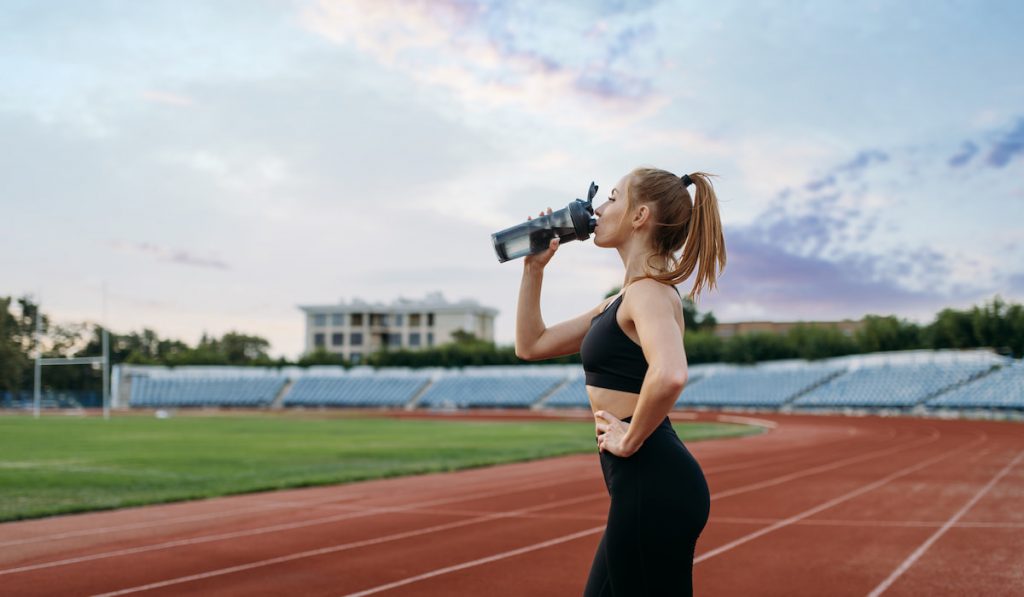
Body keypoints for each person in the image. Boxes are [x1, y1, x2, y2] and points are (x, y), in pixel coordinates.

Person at [514, 167, 727, 596]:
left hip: (654, 482)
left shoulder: (649, 292)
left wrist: (630, 440)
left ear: (639, 216)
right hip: (642, 485)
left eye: (612, 197)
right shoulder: (621, 300)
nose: (599, 208)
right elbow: (532, 345)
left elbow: (670, 373)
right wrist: (533, 269)